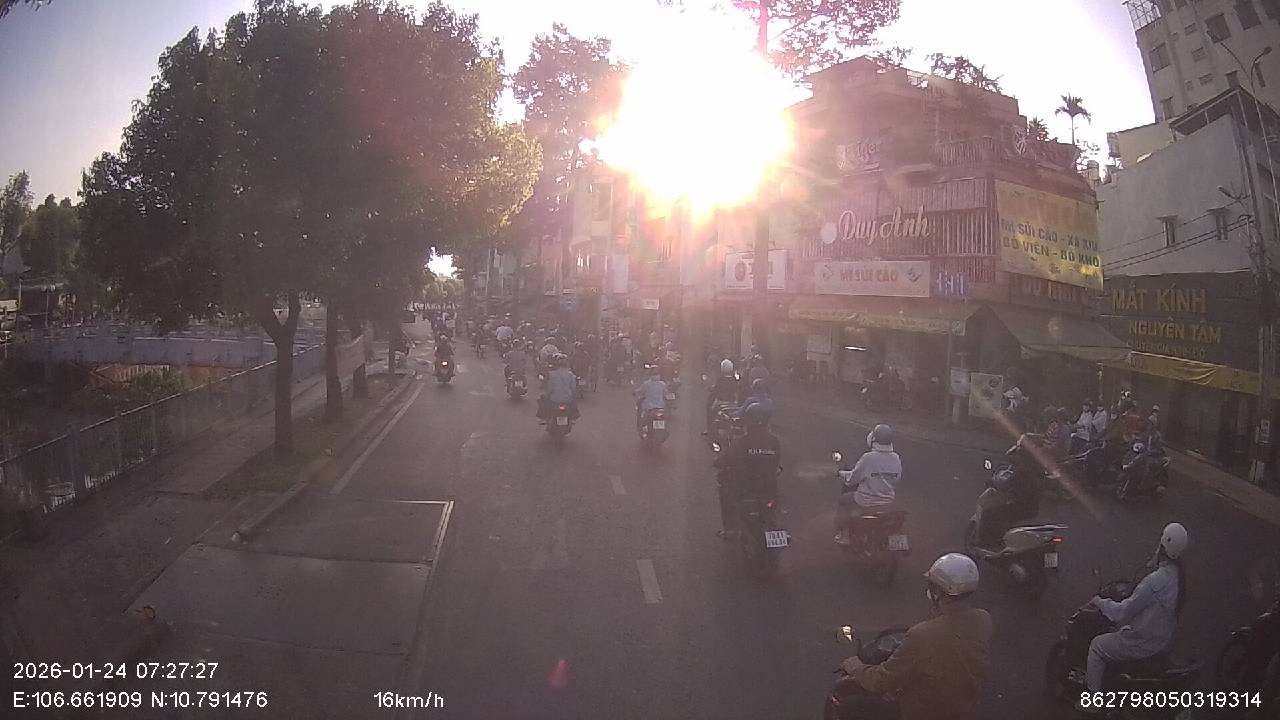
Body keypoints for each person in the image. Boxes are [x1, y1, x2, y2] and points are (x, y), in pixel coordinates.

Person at [834, 553, 992, 720]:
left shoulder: (921, 635)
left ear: (938, 590)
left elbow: (881, 681)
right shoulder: (983, 619)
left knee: (848, 706)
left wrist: (856, 668)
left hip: (922, 711)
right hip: (964, 705)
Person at [1083, 523, 1188, 707]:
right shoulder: (1178, 578)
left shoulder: (1155, 581)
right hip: (1161, 642)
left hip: (1140, 643)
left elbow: (1122, 612)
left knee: (1097, 646)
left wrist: (1100, 602)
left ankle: (1093, 702)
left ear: (1163, 545)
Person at [712, 402, 780, 537]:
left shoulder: (741, 441)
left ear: (748, 421)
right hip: (769, 487)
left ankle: (730, 529)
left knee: (724, 487)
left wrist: (717, 462)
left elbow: (726, 459)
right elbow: (777, 461)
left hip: (745, 487)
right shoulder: (774, 441)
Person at [835, 424, 902, 546]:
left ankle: (845, 536)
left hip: (866, 501)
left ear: (874, 439)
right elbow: (896, 479)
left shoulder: (868, 458)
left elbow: (853, 478)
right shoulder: (896, 457)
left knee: (843, 500)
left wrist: (841, 474)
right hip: (888, 501)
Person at [538, 354, 580, 421]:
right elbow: (573, 388)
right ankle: (573, 418)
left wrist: (546, 394)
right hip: (567, 399)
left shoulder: (552, 374)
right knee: (574, 403)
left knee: (542, 399)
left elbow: (550, 389)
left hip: (555, 399)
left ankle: (543, 418)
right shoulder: (571, 375)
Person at [705, 359, 741, 435]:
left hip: (720, 402)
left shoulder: (720, 379)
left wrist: (711, 389)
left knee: (709, 407)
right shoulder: (734, 379)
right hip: (732, 402)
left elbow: (716, 390)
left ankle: (709, 430)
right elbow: (736, 390)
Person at [634, 365, 668, 430]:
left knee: (643, 419)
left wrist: (634, 392)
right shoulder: (662, 384)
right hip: (660, 407)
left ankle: (642, 428)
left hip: (649, 407)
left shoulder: (646, 384)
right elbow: (665, 394)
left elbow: (640, 391)